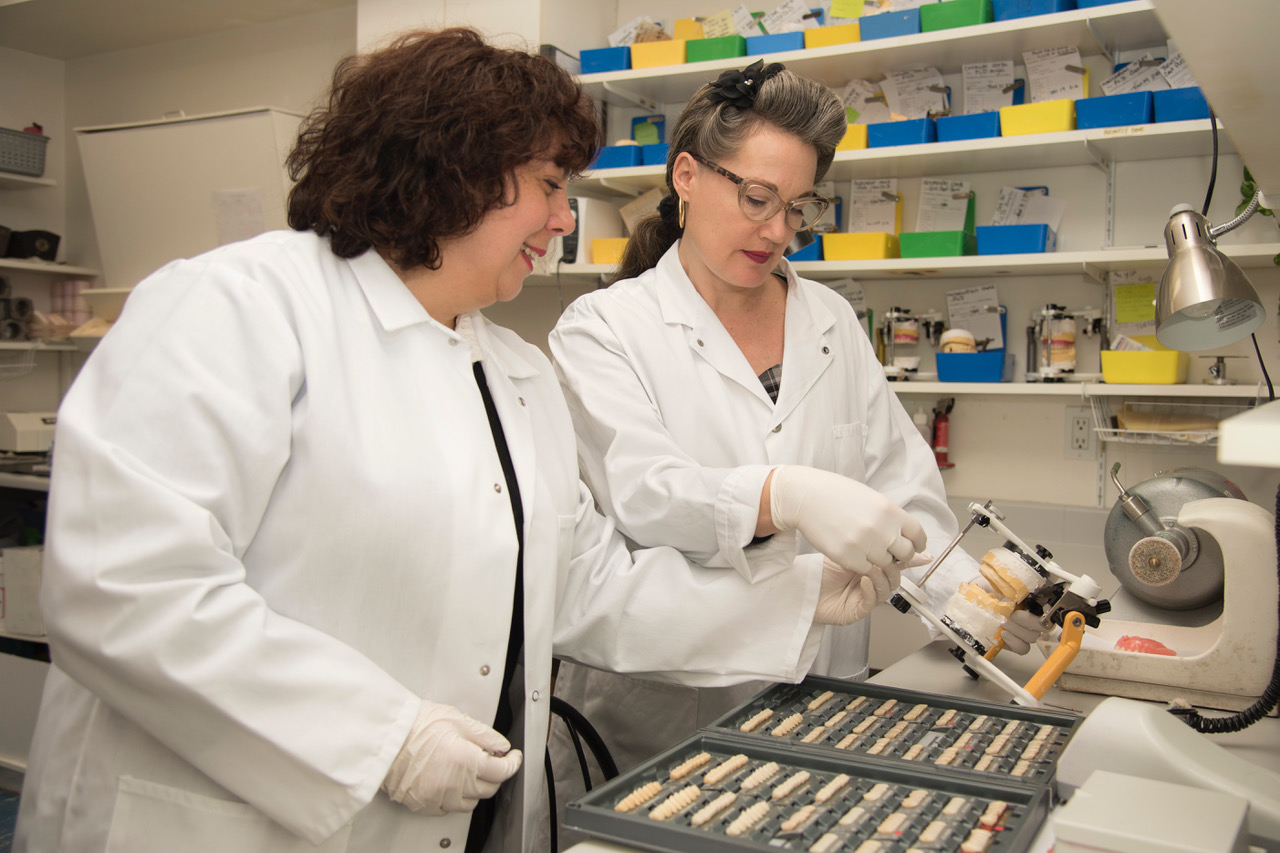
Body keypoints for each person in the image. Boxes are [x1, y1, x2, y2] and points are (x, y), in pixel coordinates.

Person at [14, 34, 892, 853]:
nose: (563, 220)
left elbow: (587, 584)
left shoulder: (512, 370)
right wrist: (380, 733)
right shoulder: (238, 307)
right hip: (214, 821)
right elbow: (123, 584)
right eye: (550, 185)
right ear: (455, 166)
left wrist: (796, 597)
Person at [548, 60, 1046, 793]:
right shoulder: (604, 329)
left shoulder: (831, 321)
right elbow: (647, 492)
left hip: (821, 700)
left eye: (800, 207)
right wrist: (784, 494)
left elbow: (904, 492)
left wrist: (982, 600)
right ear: (686, 175)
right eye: (757, 196)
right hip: (663, 718)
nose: (778, 230)